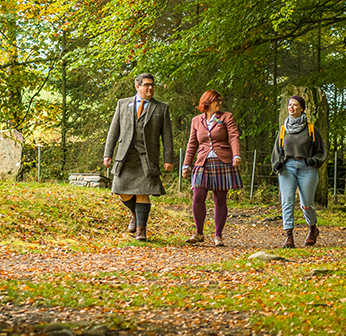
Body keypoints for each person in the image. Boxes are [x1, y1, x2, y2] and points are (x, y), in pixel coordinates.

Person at [103, 73, 175, 241]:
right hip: (125, 156)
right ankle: (135, 214)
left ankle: (141, 230)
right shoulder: (122, 104)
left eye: (152, 85)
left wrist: (168, 158)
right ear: (137, 87)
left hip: (148, 156)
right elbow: (113, 131)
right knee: (120, 191)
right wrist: (108, 153)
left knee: (143, 192)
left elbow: (167, 135)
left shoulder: (161, 107)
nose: (150, 88)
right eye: (146, 85)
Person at [181, 90, 242, 247]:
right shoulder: (196, 121)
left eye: (221, 100)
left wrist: (236, 155)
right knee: (198, 196)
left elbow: (234, 137)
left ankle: (218, 236)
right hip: (202, 162)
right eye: (217, 100)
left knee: (220, 199)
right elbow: (192, 144)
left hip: (222, 162)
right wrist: (186, 164)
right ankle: (199, 233)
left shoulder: (226, 117)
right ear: (207, 102)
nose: (220, 103)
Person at [271, 95, 327, 248]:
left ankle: (313, 228)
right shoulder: (283, 130)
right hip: (287, 169)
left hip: (306, 168)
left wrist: (314, 160)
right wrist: (277, 164)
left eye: (295, 105)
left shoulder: (310, 128)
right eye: (290, 105)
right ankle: (289, 236)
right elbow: (277, 151)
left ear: (302, 108)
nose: (291, 107)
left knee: (306, 204)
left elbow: (320, 150)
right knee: (287, 201)